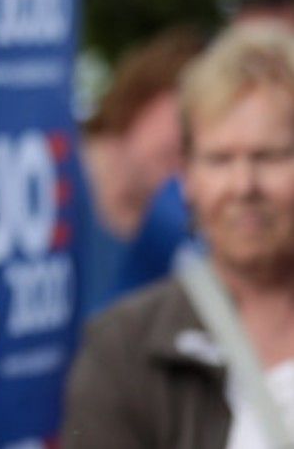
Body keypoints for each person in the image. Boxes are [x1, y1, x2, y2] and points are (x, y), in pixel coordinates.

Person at [63, 24, 294, 448]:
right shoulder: (125, 348)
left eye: (269, 156)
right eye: (219, 159)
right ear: (187, 176)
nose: (243, 186)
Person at [77, 26, 208, 317]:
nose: (194, 139)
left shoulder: (176, 227)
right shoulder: (48, 178)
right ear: (146, 93)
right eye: (187, 114)